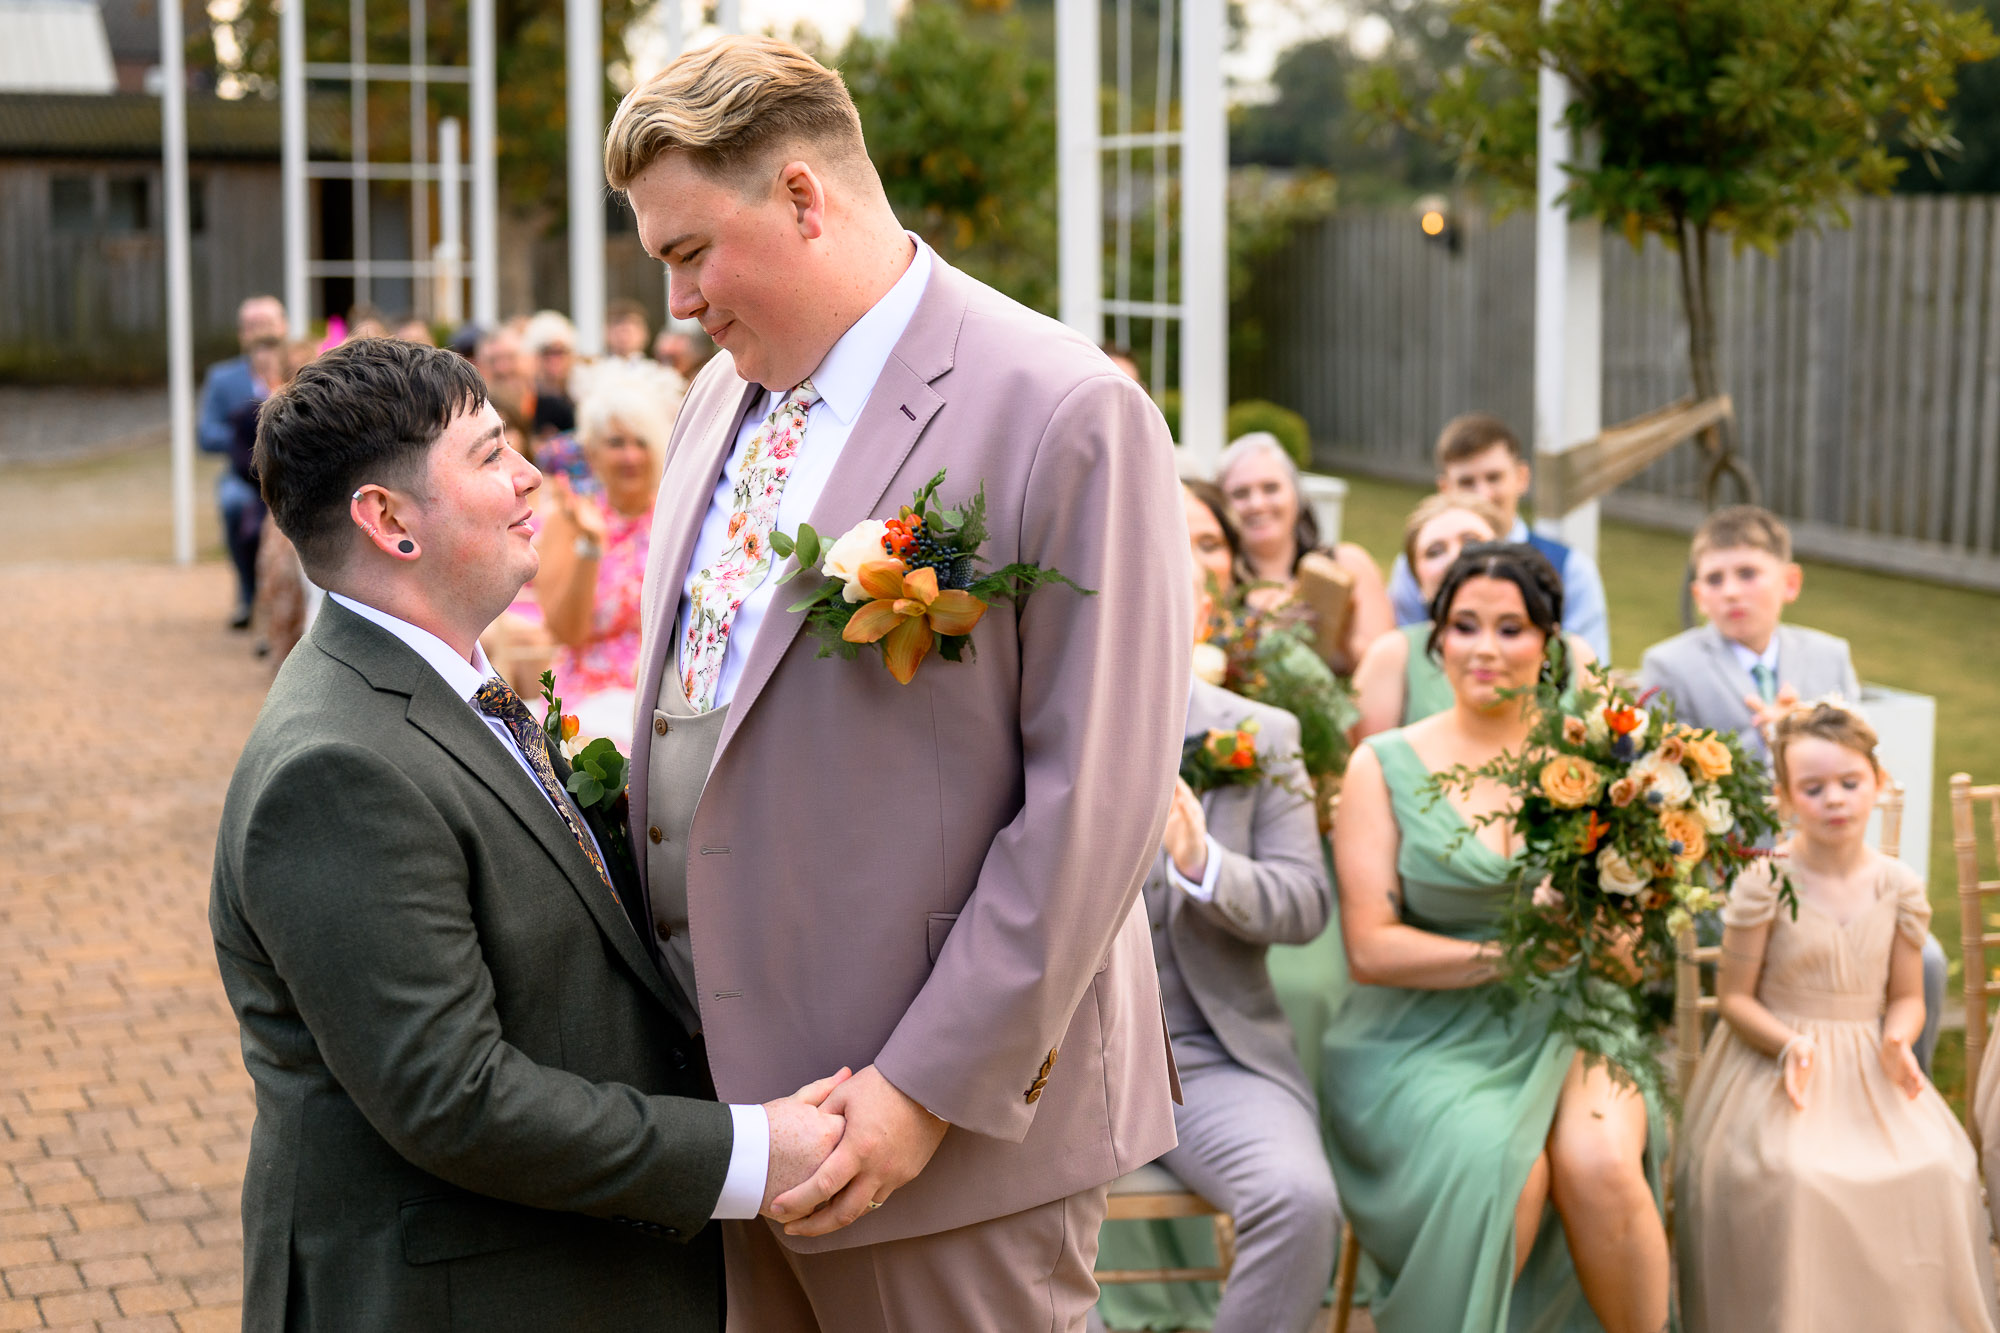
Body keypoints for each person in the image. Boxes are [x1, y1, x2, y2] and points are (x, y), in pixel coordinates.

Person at [609, 36, 1188, 1330]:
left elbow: (1095, 802)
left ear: (805, 197)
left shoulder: (1061, 408)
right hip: (745, 1128)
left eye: (690, 252)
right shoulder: (713, 400)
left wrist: (921, 1091)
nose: (682, 302)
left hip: (946, 1140)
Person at [211, 337, 849, 1329]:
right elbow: (456, 1098)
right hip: (460, 1292)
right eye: (487, 456)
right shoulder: (334, 771)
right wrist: (752, 1155)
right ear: (387, 521)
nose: (530, 480)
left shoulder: (435, 682)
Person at [1323, 543, 1669, 1333]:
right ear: (1435, 640)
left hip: (1578, 1013)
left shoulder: (1598, 762)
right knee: (1497, 1166)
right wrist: (1510, 953)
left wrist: (1598, 916)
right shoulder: (1382, 764)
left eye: (1512, 628)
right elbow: (1371, 949)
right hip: (1421, 1028)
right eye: (1465, 625)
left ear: (1549, 646)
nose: (1486, 647)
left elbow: (1629, 955)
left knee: (1602, 1162)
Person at [1673, 702, 1997, 1332]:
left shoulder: (1898, 885)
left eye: (1850, 782)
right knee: (1798, 1177)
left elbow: (1906, 995)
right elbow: (1735, 998)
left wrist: (1900, 1039)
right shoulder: (1764, 882)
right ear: (1787, 800)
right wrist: (1789, 1044)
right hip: (1776, 1062)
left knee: (1936, 1165)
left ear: (1877, 784)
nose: (1835, 800)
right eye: (1813, 788)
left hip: (1871, 1059)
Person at [1639, 504, 1946, 1074]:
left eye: (1748, 574)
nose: (1731, 591)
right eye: (1713, 579)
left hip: (1838, 866)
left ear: (1790, 581)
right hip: (1732, 878)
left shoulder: (1827, 654)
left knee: (1924, 960)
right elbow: (1659, 783)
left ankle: (1901, 1086)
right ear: (1698, 593)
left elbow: (1862, 759)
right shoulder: (1670, 663)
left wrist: (1802, 728)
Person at [1121, 557, 1339, 1333]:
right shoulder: (1036, 725)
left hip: (1207, 1054)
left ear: (1202, 618)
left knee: (1302, 1201)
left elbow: (1306, 902)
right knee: (1001, 1223)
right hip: (1058, 1065)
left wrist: (1203, 862)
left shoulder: (1260, 734)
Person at [1352, 493, 1598, 741]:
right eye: (1434, 551)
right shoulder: (1392, 653)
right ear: (1417, 582)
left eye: (1471, 542)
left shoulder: (1575, 653)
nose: (1455, 557)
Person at [1386, 413, 1612, 661]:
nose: (1483, 494)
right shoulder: (1415, 567)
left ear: (1521, 477)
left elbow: (1591, 673)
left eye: (1494, 477)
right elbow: (1406, 657)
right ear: (1445, 489)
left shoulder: (1570, 568)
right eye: (1467, 482)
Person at [532, 373, 675, 747]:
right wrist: (591, 547)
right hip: (591, 696)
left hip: (667, 692)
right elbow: (567, 633)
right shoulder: (571, 521)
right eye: (616, 443)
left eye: (640, 442)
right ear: (592, 452)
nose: (630, 456)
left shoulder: (677, 516)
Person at [1215, 431, 1392, 675]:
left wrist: (1338, 630)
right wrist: (1267, 638)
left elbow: (1387, 674)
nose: (1257, 504)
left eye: (1271, 488)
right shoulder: (1219, 582)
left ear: (1296, 496)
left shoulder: (1348, 565)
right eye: (1240, 494)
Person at [198, 293, 287, 627]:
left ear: (284, 327)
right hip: (242, 475)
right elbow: (205, 435)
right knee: (233, 504)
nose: (261, 332)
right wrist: (248, 442)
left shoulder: (301, 369)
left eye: (268, 324)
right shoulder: (222, 379)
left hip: (291, 473)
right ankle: (248, 594)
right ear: (241, 334)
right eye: (253, 326)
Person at [475, 325, 537, 441]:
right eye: (493, 361)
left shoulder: (555, 410)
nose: (502, 369)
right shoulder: (476, 417)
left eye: (511, 358)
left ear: (530, 360)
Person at [525, 309, 581, 439]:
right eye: (547, 352)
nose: (554, 360)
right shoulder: (527, 397)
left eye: (561, 352)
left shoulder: (580, 394)